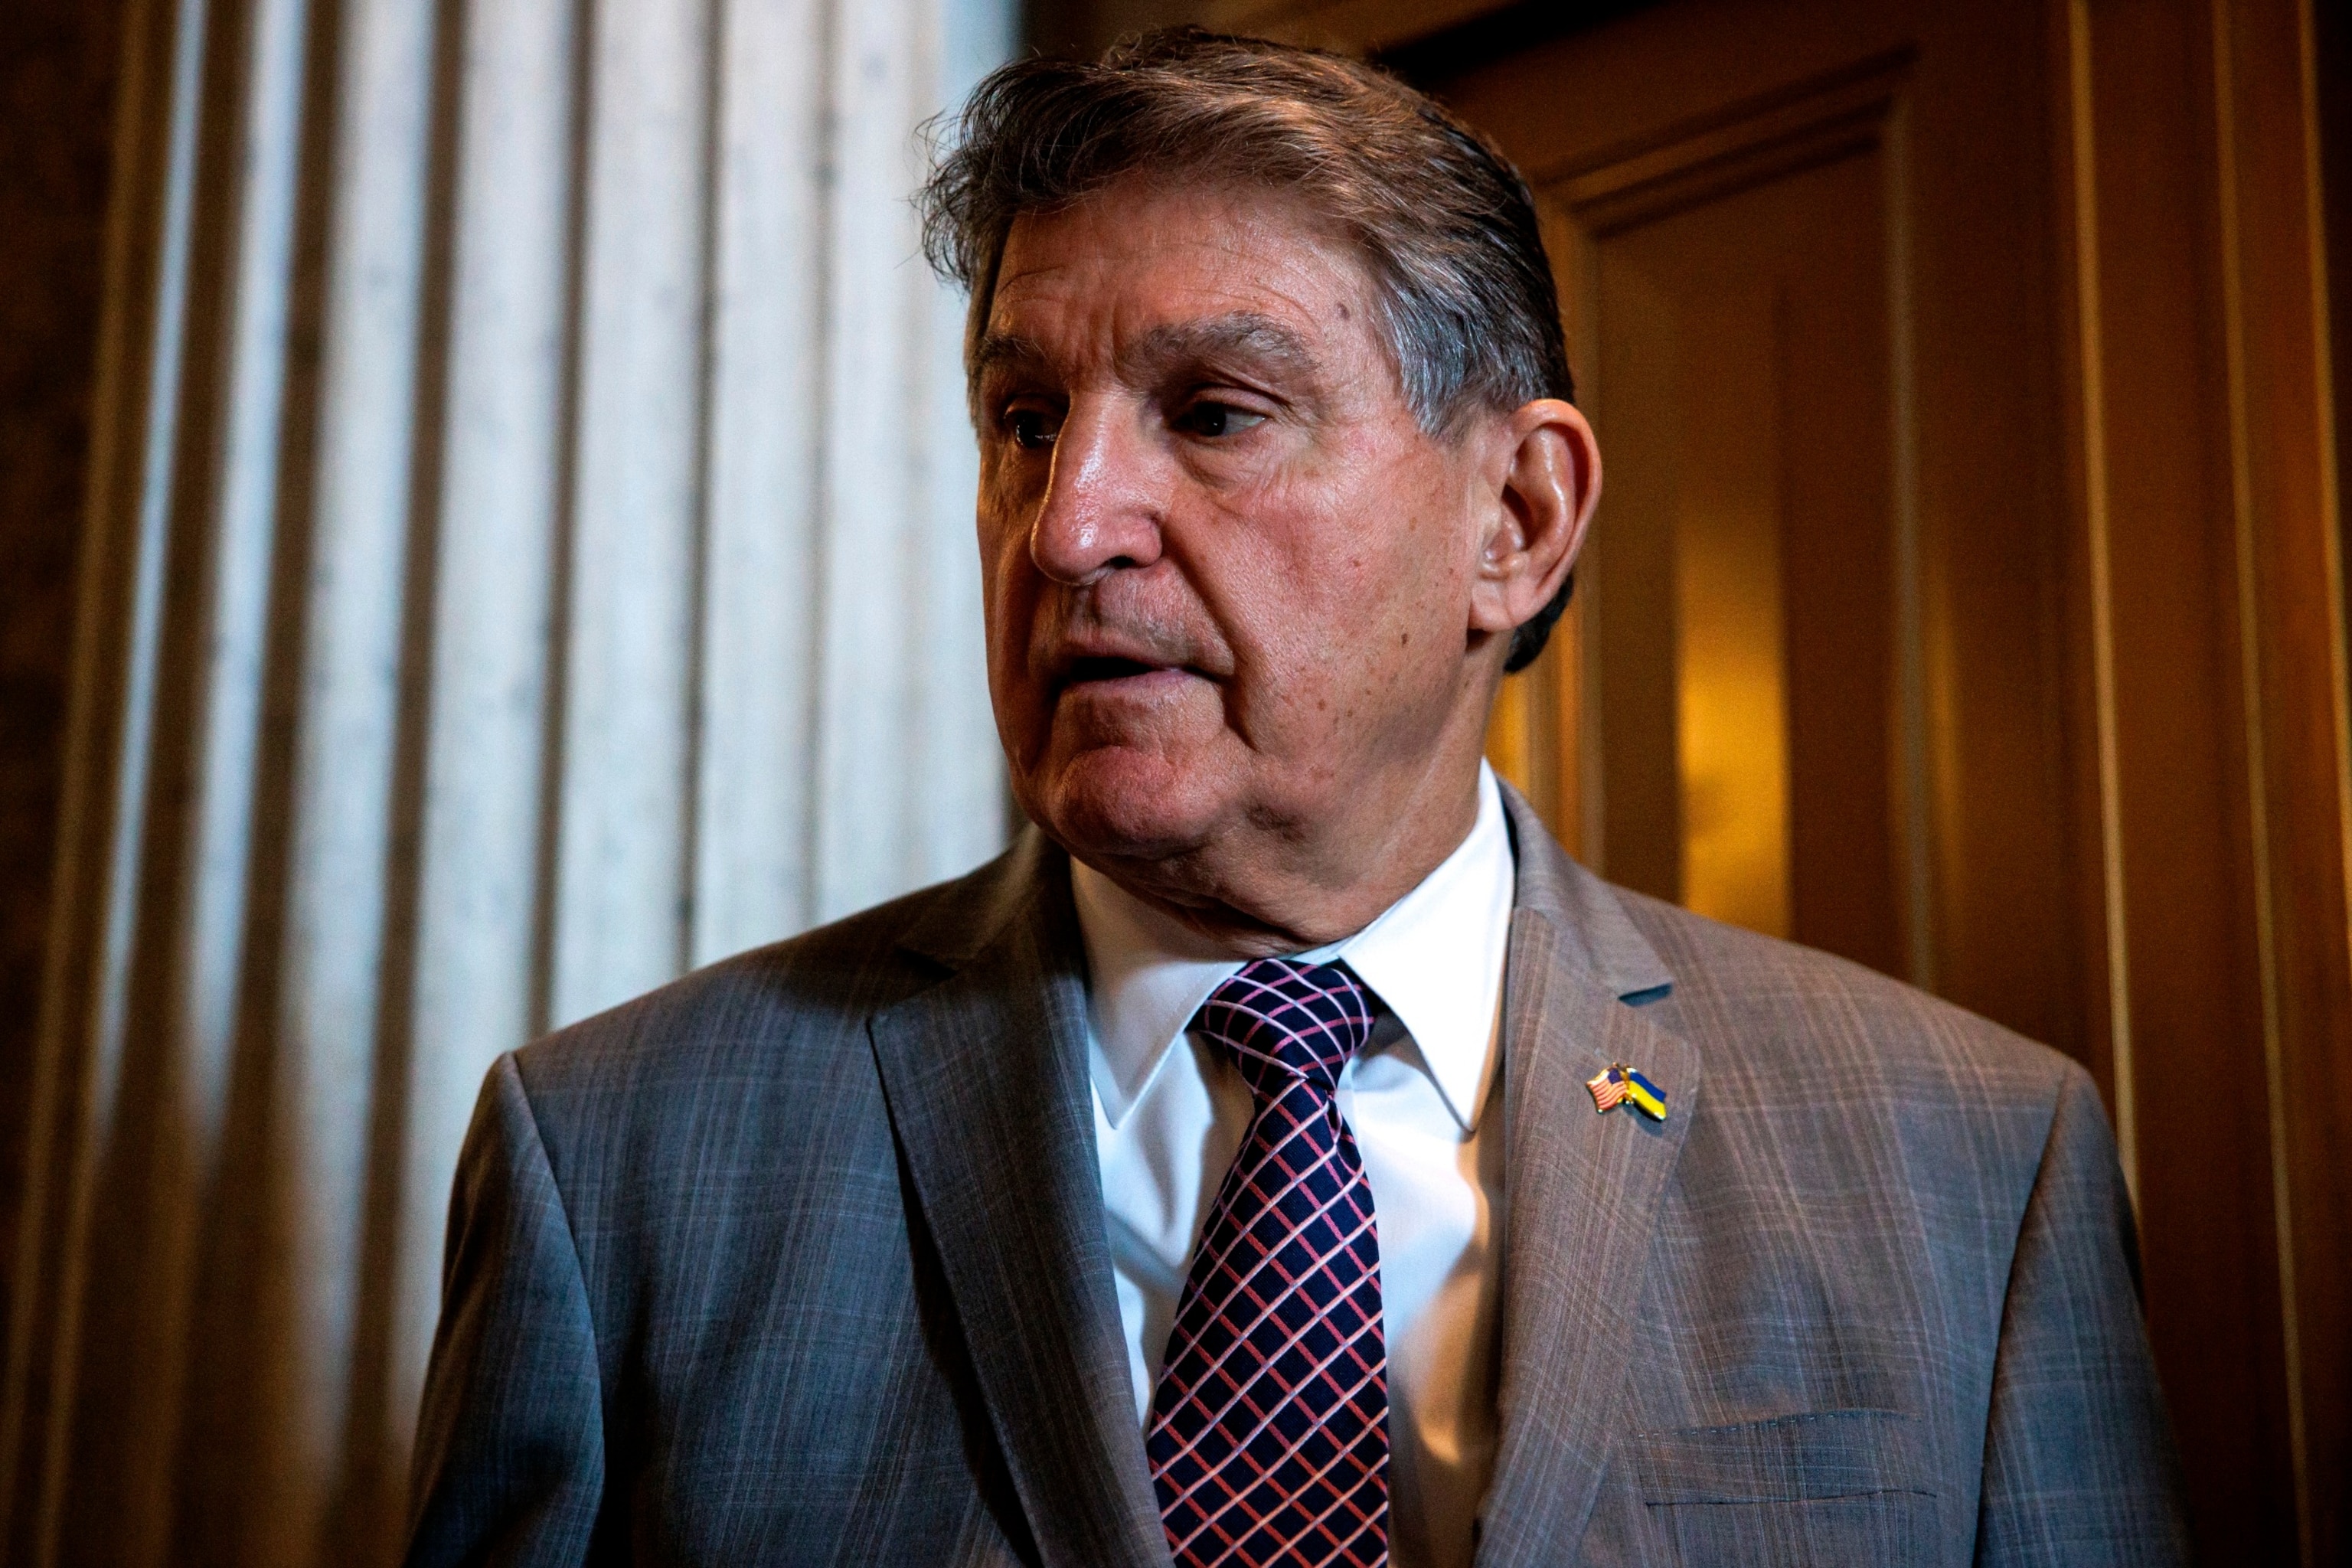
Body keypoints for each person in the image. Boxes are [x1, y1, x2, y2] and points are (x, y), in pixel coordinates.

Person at [405, 29, 2190, 1568]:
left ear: (1517, 523)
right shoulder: (622, 1162)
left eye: (1216, 410)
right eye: (1026, 419)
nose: (1073, 521)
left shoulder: (1968, 1164)